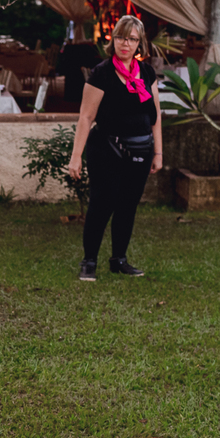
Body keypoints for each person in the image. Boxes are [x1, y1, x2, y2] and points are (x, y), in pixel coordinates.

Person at [67, 15, 163, 281]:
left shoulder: (147, 73)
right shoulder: (102, 73)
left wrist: (158, 153)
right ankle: (89, 261)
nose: (126, 44)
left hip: (141, 151)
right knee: (101, 204)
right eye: (121, 37)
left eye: (132, 39)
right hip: (106, 150)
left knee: (128, 206)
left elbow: (155, 114)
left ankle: (119, 259)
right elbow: (86, 117)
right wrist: (76, 157)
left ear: (139, 44)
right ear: (113, 40)